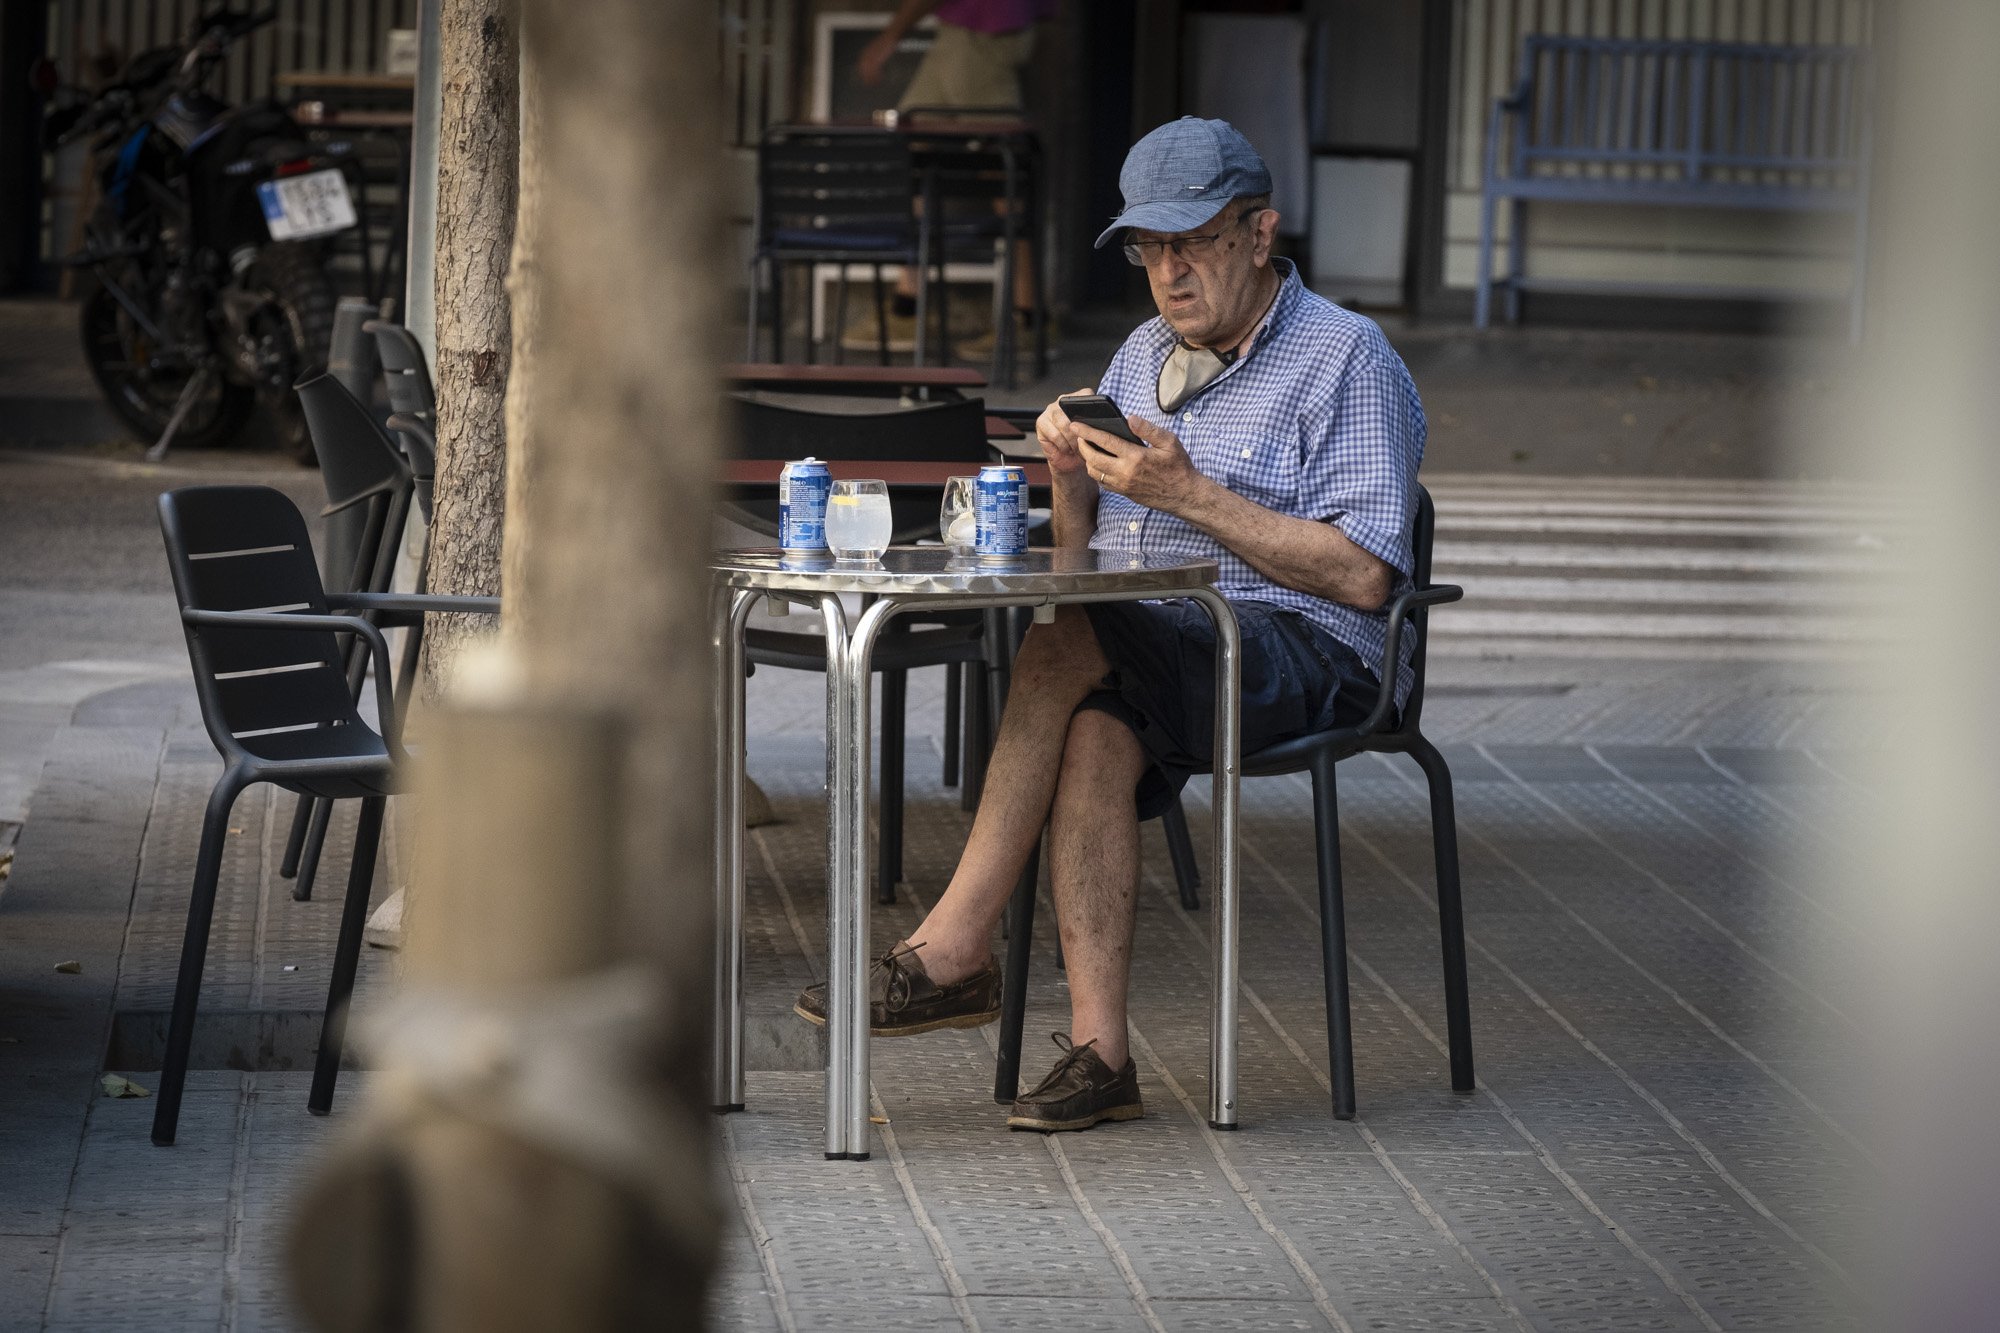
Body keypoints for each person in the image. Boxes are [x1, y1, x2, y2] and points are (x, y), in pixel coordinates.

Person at [798, 117, 1427, 1132]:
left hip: (1310, 650)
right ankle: (1100, 1056)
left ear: (1258, 234)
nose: (1167, 272)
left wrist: (1192, 496)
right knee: (1093, 726)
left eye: (1192, 242)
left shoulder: (1346, 357)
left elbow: (1360, 577)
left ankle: (955, 946)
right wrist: (1064, 478)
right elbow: (1089, 554)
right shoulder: (1140, 357)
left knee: (1062, 641)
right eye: (1147, 247)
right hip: (1166, 644)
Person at [841, 0, 1055, 356]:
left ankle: (1031, 317)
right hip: (963, 29)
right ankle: (907, 307)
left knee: (1001, 163)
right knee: (915, 143)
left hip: (983, 30)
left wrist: (889, 37)